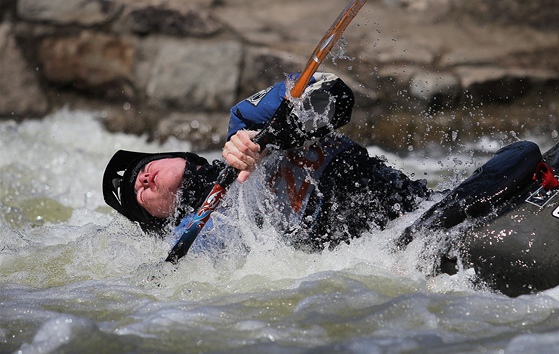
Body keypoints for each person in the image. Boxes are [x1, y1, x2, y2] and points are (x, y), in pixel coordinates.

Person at [103, 72, 432, 252]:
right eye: (140, 194)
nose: (142, 180)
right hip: (385, 249)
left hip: (415, 207)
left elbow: (336, 96)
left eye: (144, 170)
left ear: (180, 156)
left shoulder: (243, 122)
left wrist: (273, 136)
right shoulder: (194, 237)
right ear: (157, 219)